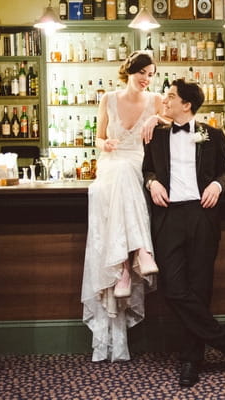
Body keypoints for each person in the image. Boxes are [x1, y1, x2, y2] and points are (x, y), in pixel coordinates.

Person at [142, 79, 225, 387]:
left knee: (199, 288)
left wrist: (217, 185)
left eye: (170, 96)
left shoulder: (213, 134)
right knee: (172, 287)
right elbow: (147, 169)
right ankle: (224, 338)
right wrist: (152, 182)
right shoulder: (155, 136)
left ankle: (191, 360)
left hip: (202, 215)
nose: (164, 100)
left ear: (187, 105)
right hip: (169, 216)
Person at [81, 51, 163, 362]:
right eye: (143, 72)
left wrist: (157, 117)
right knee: (119, 174)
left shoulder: (155, 100)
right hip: (112, 162)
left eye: (151, 74)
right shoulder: (108, 99)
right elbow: (98, 138)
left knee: (128, 175)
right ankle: (138, 253)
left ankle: (125, 270)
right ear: (129, 71)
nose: (147, 79)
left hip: (137, 163)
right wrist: (106, 144)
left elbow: (177, 122)